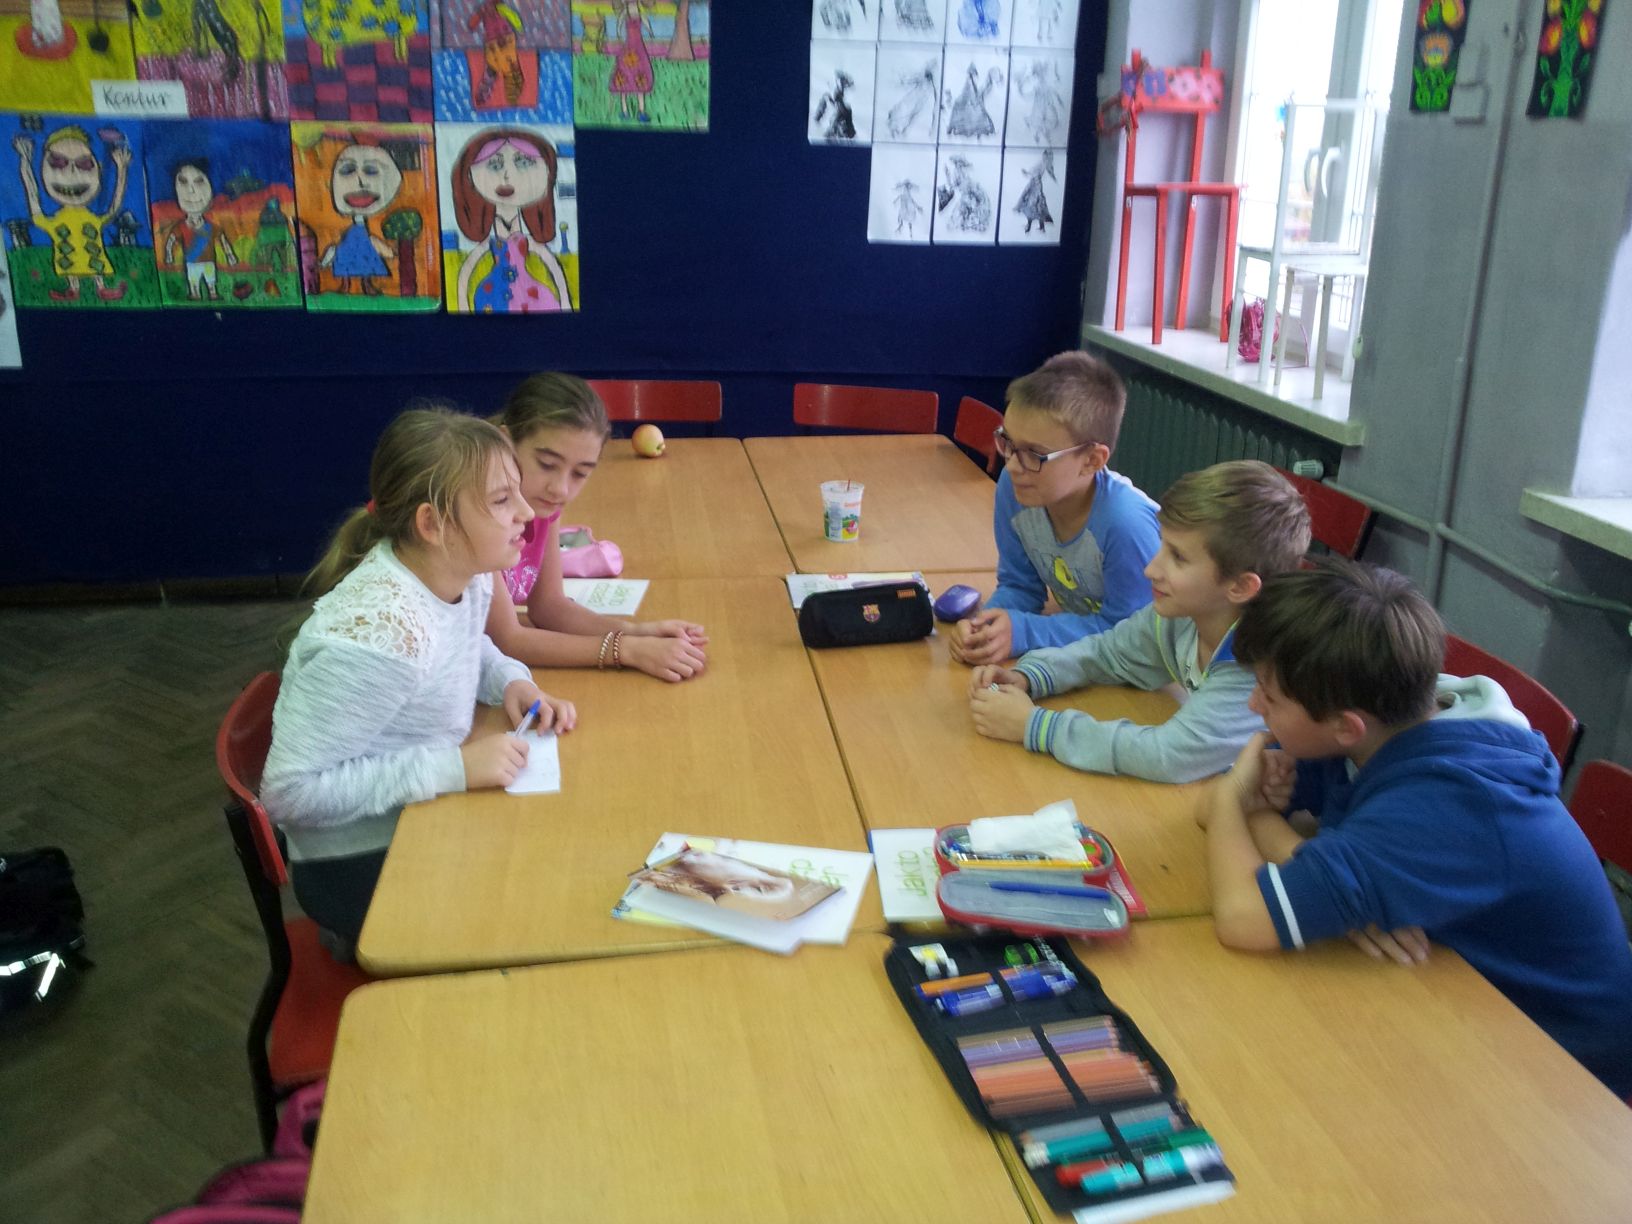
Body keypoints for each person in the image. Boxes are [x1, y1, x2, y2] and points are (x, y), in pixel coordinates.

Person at [1206, 559, 1632, 1097]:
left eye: (1268, 696)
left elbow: (1244, 919)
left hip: (1564, 1069)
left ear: (1346, 727)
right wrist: (1303, 860)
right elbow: (1225, 809)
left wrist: (1233, 800)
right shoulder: (1390, 715)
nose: (1253, 705)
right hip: (1457, 997)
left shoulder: (1446, 803)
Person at [261, 405, 577, 956]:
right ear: (433, 525)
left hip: (421, 814)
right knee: (539, 909)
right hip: (360, 858)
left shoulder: (464, 573)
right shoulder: (382, 638)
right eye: (502, 500)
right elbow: (289, 793)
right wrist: (453, 768)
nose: (527, 512)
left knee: (558, 855)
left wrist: (510, 681)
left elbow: (465, 643)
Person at [968, 460, 1310, 783]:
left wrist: (1034, 725)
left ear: (1240, 587)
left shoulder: (1254, 671)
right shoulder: (1185, 615)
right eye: (1163, 546)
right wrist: (1029, 676)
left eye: (1178, 557)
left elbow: (1167, 756)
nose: (1151, 569)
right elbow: (1108, 653)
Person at [485, 373, 709, 682]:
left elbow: (549, 607)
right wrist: (625, 650)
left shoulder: (542, 504)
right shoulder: (477, 514)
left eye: (580, 473)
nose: (561, 488)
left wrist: (637, 633)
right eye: (547, 465)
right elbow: (508, 640)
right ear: (505, 442)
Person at [950, 351, 1159, 665]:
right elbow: (1020, 586)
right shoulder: (1017, 487)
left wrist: (1024, 632)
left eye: (1035, 454)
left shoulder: (1127, 525)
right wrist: (988, 625)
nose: (1012, 465)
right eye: (1007, 442)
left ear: (1091, 461)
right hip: (1090, 660)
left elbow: (1133, 637)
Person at [450, 128, 571, 314]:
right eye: (494, 165)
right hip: (492, 295)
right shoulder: (489, 243)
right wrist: (462, 305)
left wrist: (565, 301)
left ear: (548, 173)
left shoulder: (528, 241)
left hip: (528, 295)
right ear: (469, 176)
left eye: (523, 162)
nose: (507, 175)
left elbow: (554, 267)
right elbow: (466, 272)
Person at [11, 126, 132, 302]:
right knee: (70, 263)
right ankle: (73, 288)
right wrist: (25, 161)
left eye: (84, 164)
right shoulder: (54, 222)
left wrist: (122, 169)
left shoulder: (93, 218)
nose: (71, 173)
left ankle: (101, 287)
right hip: (68, 260)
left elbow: (114, 206)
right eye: (58, 163)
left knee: (95, 263)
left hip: (93, 258)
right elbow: (31, 193)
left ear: (98, 169)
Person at [162, 157, 240, 302]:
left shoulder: (211, 226)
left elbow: (223, 240)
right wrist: (168, 255)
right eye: (183, 182)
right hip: (192, 262)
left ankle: (212, 293)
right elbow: (171, 241)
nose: (191, 191)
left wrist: (230, 255)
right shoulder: (180, 227)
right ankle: (195, 293)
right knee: (193, 281)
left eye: (199, 182)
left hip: (209, 261)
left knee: (211, 279)